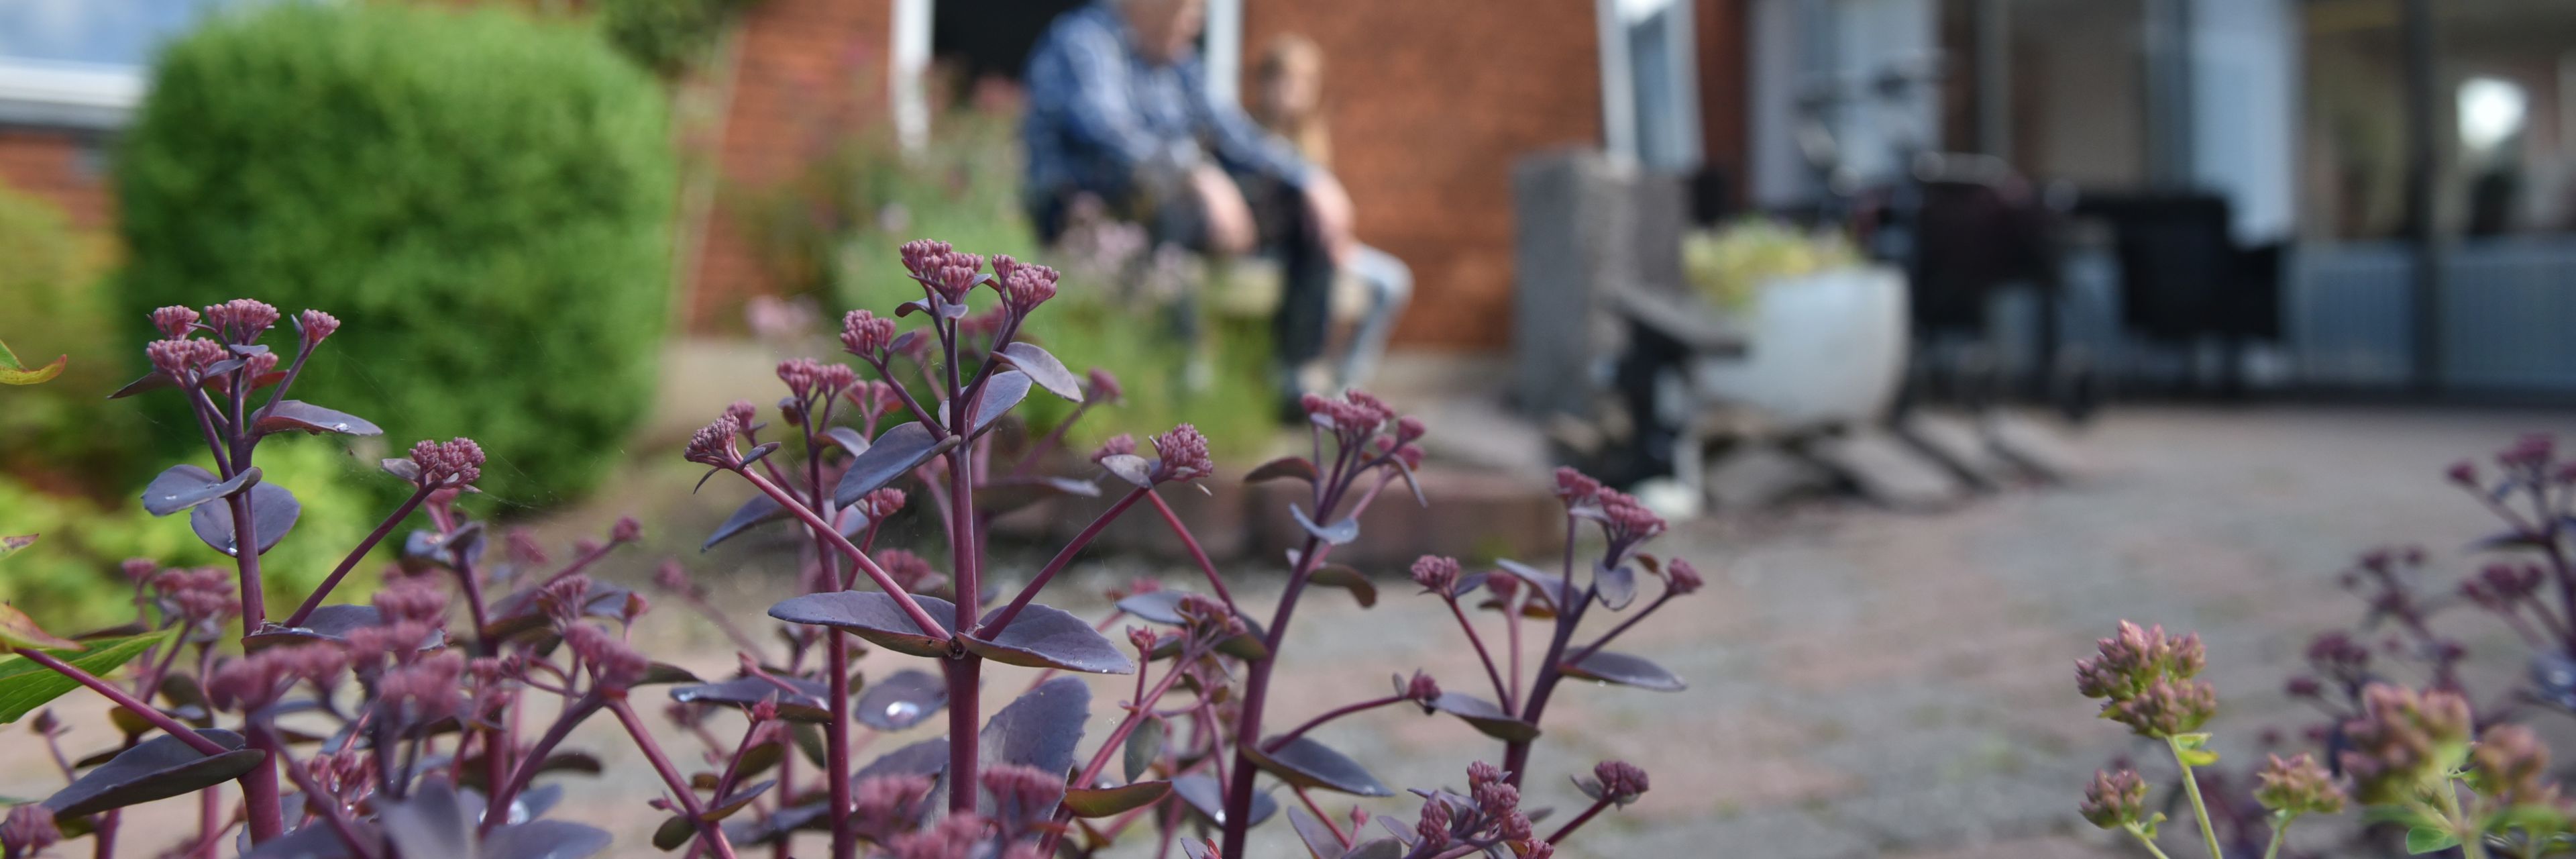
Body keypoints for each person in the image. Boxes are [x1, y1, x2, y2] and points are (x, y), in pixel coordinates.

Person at [1021, 0, 1355, 405]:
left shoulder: (1176, 58)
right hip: (1083, 208)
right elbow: (1108, 134)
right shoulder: (1085, 40)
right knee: (1167, 204)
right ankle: (1183, 375)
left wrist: (1310, 179)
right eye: (1191, 10)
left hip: (1170, 206)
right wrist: (1195, 173)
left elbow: (1233, 133)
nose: (1197, 24)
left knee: (1298, 206)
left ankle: (1296, 378)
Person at [1248, 34, 1412, 391]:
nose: (1297, 90)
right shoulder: (1247, 138)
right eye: (1288, 79)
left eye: (1307, 81)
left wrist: (1340, 241)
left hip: (1326, 248)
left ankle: (1347, 384)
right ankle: (1299, 377)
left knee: (1393, 280)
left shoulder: (1311, 141)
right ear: (1266, 83)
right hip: (1282, 247)